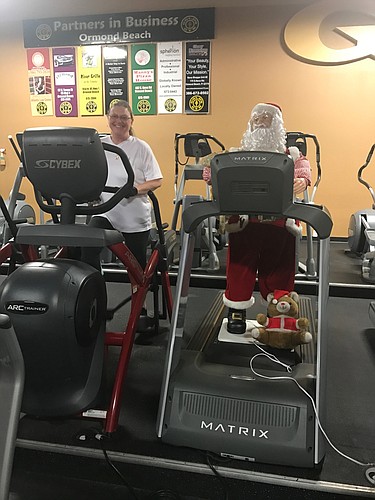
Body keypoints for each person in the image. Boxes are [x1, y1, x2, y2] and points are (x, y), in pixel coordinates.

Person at [203, 102, 311, 334]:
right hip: (245, 223)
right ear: (250, 123)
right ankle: (236, 312)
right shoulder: (237, 153)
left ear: (277, 124)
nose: (261, 122)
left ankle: (279, 316)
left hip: (279, 224)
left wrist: (302, 179)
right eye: (257, 118)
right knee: (240, 267)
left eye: (266, 118)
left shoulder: (291, 155)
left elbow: (304, 169)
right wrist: (214, 176)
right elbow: (211, 169)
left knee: (280, 268)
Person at [83, 99, 163, 327]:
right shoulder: (98, 145)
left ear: (131, 121)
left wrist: (136, 189)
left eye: (124, 117)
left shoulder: (140, 147)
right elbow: (90, 175)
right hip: (105, 212)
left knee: (136, 267)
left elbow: (157, 179)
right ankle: (92, 299)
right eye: (114, 116)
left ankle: (141, 309)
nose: (119, 121)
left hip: (133, 216)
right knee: (87, 249)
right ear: (108, 119)